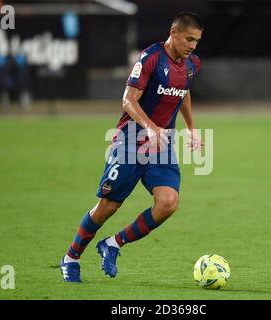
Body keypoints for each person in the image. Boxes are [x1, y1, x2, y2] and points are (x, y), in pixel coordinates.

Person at [60, 12, 204, 282]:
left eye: (196, 41)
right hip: (130, 142)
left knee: (168, 203)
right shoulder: (150, 58)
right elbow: (127, 100)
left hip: (161, 145)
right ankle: (71, 257)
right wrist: (149, 126)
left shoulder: (191, 63)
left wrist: (192, 127)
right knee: (107, 207)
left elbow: (183, 91)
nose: (193, 46)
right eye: (189, 39)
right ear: (173, 33)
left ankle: (112, 244)